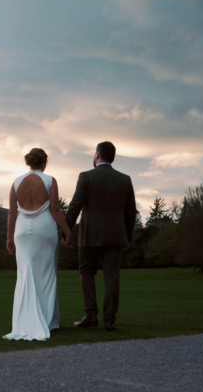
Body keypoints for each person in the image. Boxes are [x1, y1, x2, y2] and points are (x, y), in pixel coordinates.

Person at [4, 148, 73, 341]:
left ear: (29, 162)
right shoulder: (50, 180)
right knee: (47, 275)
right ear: (45, 162)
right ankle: (47, 320)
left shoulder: (16, 182)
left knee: (25, 274)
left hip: (22, 231)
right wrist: (68, 232)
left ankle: (25, 322)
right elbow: (56, 210)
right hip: (45, 229)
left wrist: (9, 238)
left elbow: (12, 213)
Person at [66, 141, 136, 331]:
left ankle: (91, 316)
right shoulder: (125, 179)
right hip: (115, 236)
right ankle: (109, 320)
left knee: (86, 273)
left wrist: (65, 231)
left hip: (89, 235)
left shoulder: (86, 176)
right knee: (112, 276)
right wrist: (127, 238)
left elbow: (75, 206)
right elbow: (131, 212)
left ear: (97, 155)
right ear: (112, 157)